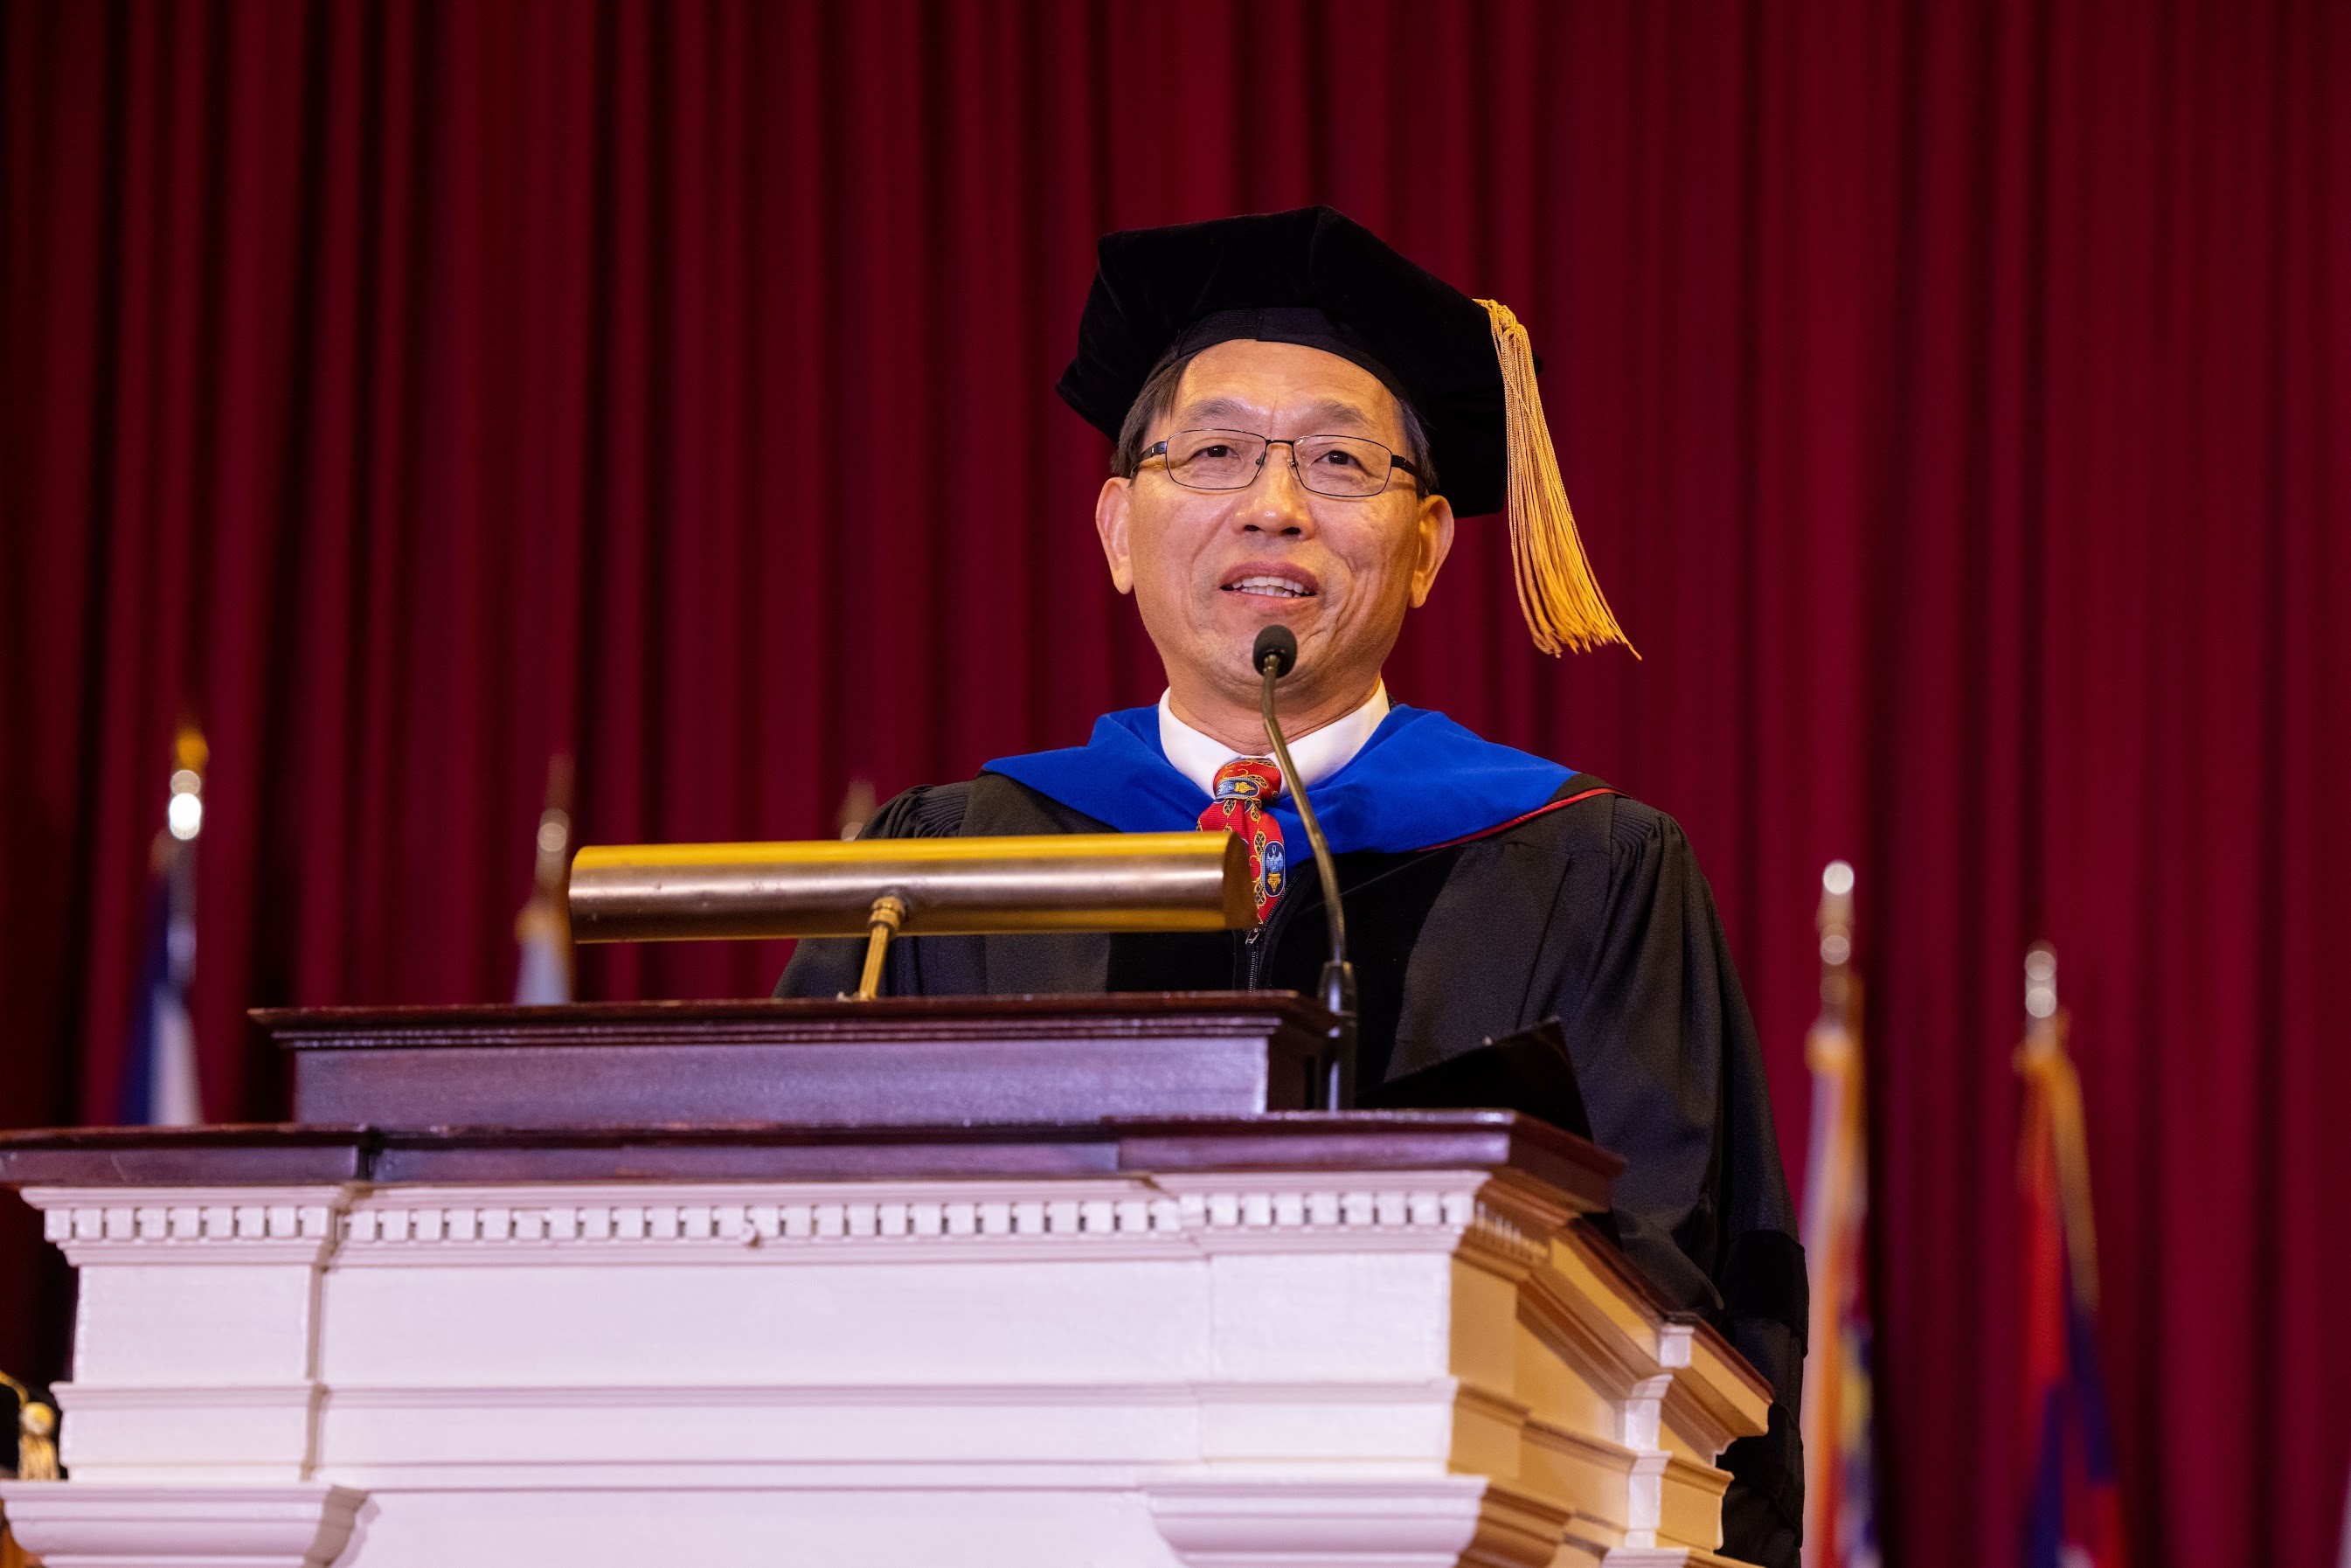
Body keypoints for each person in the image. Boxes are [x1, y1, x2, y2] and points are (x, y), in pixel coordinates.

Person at [779, 206, 1804, 1565]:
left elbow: (1686, 1323)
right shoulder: (947, 866)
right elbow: (805, 1261)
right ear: (1116, 531)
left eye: (1336, 458)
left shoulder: (1589, 866)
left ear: (1430, 545)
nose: (1273, 502)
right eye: (1212, 453)